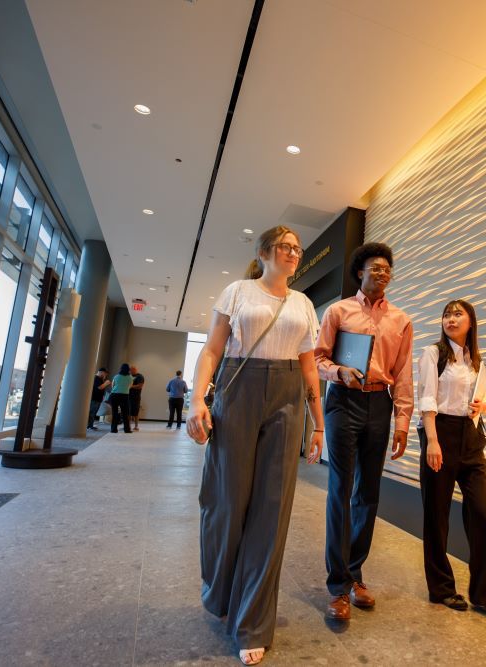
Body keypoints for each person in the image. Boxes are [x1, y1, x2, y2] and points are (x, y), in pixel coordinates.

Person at [186, 225, 324, 666]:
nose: (293, 253)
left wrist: (318, 425)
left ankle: (253, 622)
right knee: (225, 504)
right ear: (264, 252)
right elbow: (211, 350)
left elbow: (308, 368)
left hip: (287, 397)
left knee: (272, 512)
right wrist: (197, 400)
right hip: (238, 389)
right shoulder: (238, 292)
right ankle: (222, 590)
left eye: (297, 249)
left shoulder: (302, 304)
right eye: (285, 246)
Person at [315, 242, 413, 621]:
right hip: (342, 400)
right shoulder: (338, 311)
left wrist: (403, 419)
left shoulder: (401, 320)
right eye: (375, 268)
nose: (382, 273)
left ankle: (355, 574)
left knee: (368, 493)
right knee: (340, 490)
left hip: (379, 404)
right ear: (360, 272)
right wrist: (339, 371)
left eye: (387, 269)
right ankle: (337, 586)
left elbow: (403, 373)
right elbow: (318, 357)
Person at [417, 299, 486, 618]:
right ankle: (441, 588)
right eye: (446, 314)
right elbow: (426, 396)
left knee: (481, 513)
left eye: (458, 314)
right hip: (439, 431)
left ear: (471, 322)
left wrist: (483, 405)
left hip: (471, 437)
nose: (450, 319)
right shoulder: (433, 354)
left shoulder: (475, 360)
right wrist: (432, 441)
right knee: (436, 515)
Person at [109, 364, 133, 433]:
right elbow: (130, 386)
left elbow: (112, 385)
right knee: (125, 413)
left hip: (114, 395)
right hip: (124, 396)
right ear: (128, 369)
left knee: (115, 412)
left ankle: (113, 429)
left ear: (120, 369)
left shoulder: (116, 376)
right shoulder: (130, 377)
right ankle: (127, 429)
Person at [129, 365, 145, 431]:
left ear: (135, 370)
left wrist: (131, 386)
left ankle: (136, 426)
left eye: (131, 370)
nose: (130, 371)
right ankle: (128, 426)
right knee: (128, 412)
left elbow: (140, 386)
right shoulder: (129, 376)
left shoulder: (140, 376)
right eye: (130, 370)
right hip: (128, 396)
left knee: (135, 412)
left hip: (136, 397)